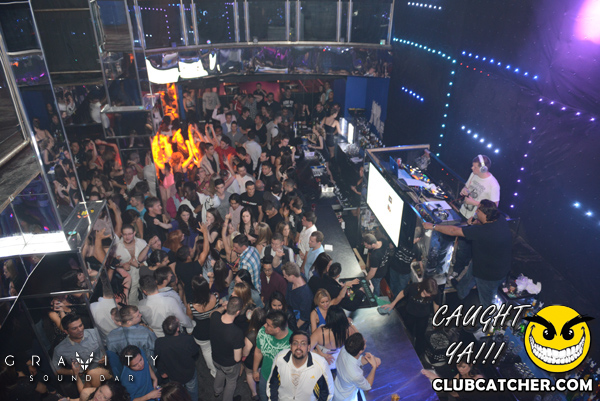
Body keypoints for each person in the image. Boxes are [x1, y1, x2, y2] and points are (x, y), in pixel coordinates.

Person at [424, 199, 511, 309]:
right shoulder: (500, 219)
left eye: (478, 210)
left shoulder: (482, 232)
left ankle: (487, 318)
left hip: (489, 275)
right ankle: (460, 293)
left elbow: (453, 231)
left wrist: (432, 226)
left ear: (485, 214)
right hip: (483, 264)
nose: (476, 212)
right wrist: (477, 222)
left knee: (487, 302)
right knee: (468, 279)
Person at [267, 330, 334, 401]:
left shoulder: (320, 365)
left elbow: (327, 393)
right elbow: (272, 384)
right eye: (295, 343)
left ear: (308, 348)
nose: (298, 347)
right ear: (290, 346)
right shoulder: (280, 359)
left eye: (303, 344)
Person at [381, 278, 440, 355]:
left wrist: (436, 318)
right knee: (407, 333)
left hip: (423, 317)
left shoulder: (434, 292)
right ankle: (406, 350)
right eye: (428, 293)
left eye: (431, 295)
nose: (429, 296)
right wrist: (393, 304)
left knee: (420, 336)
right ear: (423, 287)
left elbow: (436, 303)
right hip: (410, 314)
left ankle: (418, 354)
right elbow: (403, 293)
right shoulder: (413, 287)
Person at [52, 314, 107, 386]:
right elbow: (55, 368)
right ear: (66, 331)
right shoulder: (60, 349)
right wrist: (73, 372)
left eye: (80, 325)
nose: (80, 330)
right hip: (85, 380)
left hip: (105, 370)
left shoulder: (95, 333)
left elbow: (110, 346)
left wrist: (107, 355)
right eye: (74, 328)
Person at [154, 316, 200, 401]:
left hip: (173, 374)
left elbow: (156, 359)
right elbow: (195, 352)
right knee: (192, 392)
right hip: (188, 373)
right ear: (178, 329)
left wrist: (161, 371)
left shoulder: (159, 343)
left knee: (177, 394)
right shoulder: (187, 339)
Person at [189, 275, 225, 378]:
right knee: (218, 348)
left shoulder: (191, 306)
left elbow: (190, 320)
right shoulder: (216, 296)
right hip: (215, 327)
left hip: (201, 332)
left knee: (206, 351)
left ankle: (214, 371)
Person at [210, 297, 245, 401]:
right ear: (238, 312)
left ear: (227, 306)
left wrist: (222, 307)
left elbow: (212, 313)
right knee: (231, 381)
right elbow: (237, 358)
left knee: (219, 373)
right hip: (229, 364)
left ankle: (217, 391)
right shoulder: (237, 332)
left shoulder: (215, 317)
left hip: (216, 358)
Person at [253, 310, 293, 401]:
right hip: (265, 375)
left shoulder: (292, 343)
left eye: (268, 325)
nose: (264, 326)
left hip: (281, 382)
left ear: (277, 329)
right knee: (263, 396)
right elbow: (258, 352)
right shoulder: (263, 332)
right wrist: (255, 371)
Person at [333, 333, 381, 401]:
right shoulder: (355, 375)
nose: (366, 340)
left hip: (337, 388)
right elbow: (367, 386)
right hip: (346, 398)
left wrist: (369, 359)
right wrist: (374, 367)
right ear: (360, 351)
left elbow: (356, 360)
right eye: (364, 342)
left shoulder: (345, 349)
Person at [310, 305, 358, 369]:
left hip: (321, 362)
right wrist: (351, 323)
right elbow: (359, 339)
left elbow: (308, 348)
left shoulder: (320, 332)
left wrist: (321, 355)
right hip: (336, 361)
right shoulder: (348, 330)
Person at [115, 224, 150, 305]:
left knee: (150, 299)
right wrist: (122, 265)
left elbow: (147, 260)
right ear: (121, 234)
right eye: (125, 234)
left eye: (129, 234)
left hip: (143, 277)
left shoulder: (142, 243)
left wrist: (139, 264)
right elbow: (111, 265)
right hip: (130, 281)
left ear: (134, 233)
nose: (127, 237)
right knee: (132, 302)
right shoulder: (116, 247)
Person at [282, 262, 312, 331]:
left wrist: (293, 330)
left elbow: (303, 318)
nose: (284, 277)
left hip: (298, 325)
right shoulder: (292, 281)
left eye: (285, 275)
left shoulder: (305, 294)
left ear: (292, 276)